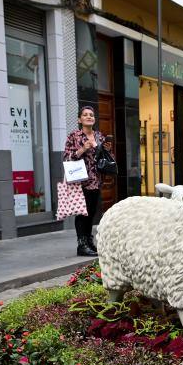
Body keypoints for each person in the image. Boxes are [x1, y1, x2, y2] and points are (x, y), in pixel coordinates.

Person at [63, 106, 113, 257]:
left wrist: (107, 149)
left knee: (91, 213)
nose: (89, 117)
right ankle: (81, 244)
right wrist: (82, 149)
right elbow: (67, 158)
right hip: (80, 181)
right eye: (85, 115)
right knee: (82, 213)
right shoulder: (74, 136)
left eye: (91, 115)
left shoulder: (99, 136)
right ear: (80, 119)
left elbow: (104, 158)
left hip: (95, 180)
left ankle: (89, 241)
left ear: (94, 119)